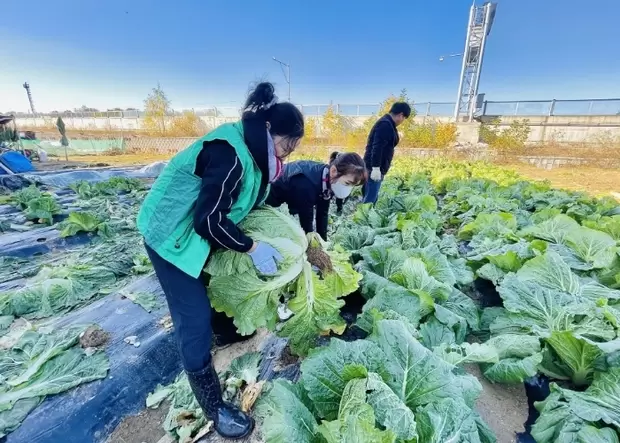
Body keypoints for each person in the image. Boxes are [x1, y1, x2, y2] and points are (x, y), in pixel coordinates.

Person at [137, 82, 304, 439]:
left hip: (197, 231)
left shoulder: (258, 157)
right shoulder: (230, 152)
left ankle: (222, 330)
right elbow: (208, 220)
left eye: (290, 154)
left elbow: (252, 204)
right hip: (171, 235)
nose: (284, 158)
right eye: (285, 148)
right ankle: (213, 406)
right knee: (193, 317)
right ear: (269, 130)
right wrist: (252, 247)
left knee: (214, 290)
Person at [266, 152, 367, 240]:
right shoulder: (307, 183)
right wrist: (312, 243)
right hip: (271, 196)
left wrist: (323, 241)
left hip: (295, 199)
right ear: (333, 171)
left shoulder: (329, 181)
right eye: (347, 183)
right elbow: (306, 217)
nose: (349, 188)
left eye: (353, 185)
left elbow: (322, 213)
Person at [363, 102, 412, 203]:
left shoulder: (388, 124)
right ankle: (362, 218)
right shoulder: (385, 124)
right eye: (404, 118)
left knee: (370, 196)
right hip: (374, 168)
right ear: (401, 115)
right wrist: (376, 168)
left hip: (374, 166)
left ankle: (363, 215)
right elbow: (377, 147)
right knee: (370, 199)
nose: (402, 121)